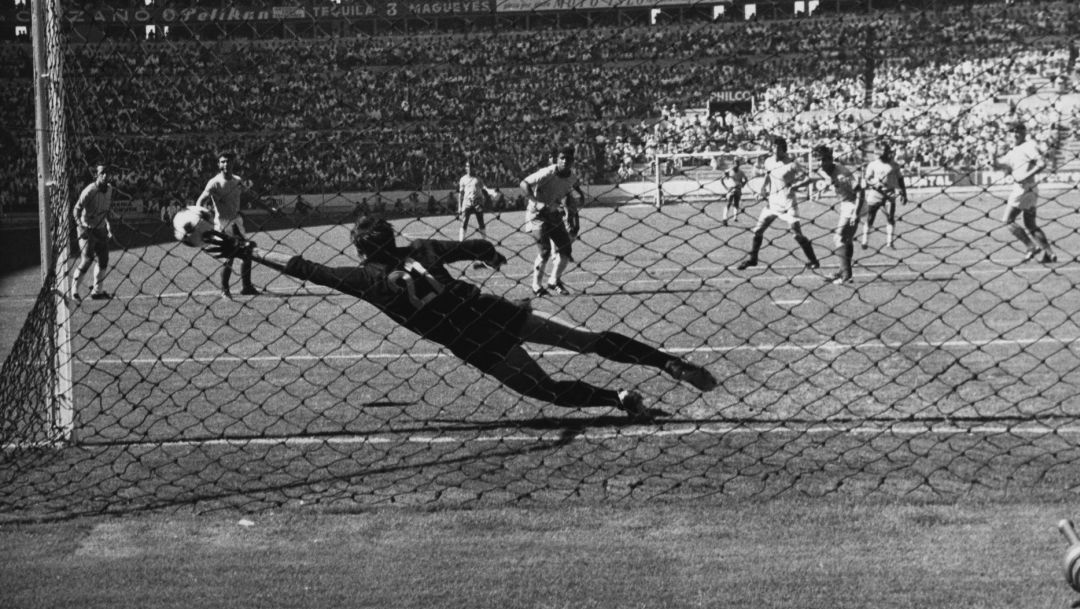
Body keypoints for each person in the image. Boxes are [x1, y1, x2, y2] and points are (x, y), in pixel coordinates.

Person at [201, 215, 718, 420]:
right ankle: (667, 363)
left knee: (545, 391)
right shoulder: (421, 246)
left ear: (362, 250)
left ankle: (619, 399)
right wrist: (487, 254)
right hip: (491, 310)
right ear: (392, 238)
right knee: (585, 338)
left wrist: (247, 251)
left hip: (469, 340)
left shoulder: (366, 279)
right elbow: (472, 243)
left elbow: (304, 268)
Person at [736, 136, 820, 271]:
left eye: (778, 147)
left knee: (796, 235)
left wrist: (796, 186)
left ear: (783, 149)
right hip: (772, 205)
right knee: (757, 231)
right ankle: (753, 259)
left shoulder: (792, 164)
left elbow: (809, 179)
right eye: (773, 147)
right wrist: (762, 190)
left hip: (788, 205)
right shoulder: (768, 161)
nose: (774, 149)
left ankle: (814, 261)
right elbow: (768, 176)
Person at [520, 145, 587, 296]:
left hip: (553, 214)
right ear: (558, 159)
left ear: (572, 161)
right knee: (545, 251)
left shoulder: (572, 177)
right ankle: (536, 286)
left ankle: (553, 281)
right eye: (562, 158)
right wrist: (536, 202)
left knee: (566, 249)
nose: (564, 161)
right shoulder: (547, 172)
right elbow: (523, 183)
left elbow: (574, 185)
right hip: (536, 214)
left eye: (567, 159)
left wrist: (580, 195)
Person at [196, 153, 261, 297]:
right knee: (228, 258)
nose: (226, 164)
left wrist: (269, 208)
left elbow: (249, 194)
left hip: (237, 222)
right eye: (223, 162)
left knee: (247, 253)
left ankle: (247, 287)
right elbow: (201, 200)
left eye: (228, 161)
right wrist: (200, 216)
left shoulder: (237, 180)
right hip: (222, 224)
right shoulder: (214, 182)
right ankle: (225, 290)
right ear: (219, 165)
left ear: (233, 163)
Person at [998, 121, 1057, 264]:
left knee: (1007, 221)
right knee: (1030, 224)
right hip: (1031, 189)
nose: (1015, 133)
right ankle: (1050, 254)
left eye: (1018, 131)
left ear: (1024, 132)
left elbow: (1042, 163)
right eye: (1012, 131)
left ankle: (1031, 246)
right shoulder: (1014, 149)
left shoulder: (1028, 146)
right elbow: (1001, 164)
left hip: (1023, 189)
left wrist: (1024, 176)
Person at [809, 145, 866, 284]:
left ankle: (846, 276)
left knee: (838, 238)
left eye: (822, 160)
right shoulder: (824, 170)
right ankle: (843, 271)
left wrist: (855, 214)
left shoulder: (842, 174)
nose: (819, 163)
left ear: (830, 160)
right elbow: (818, 176)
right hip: (846, 204)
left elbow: (860, 192)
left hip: (855, 204)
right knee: (847, 240)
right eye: (818, 160)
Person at [71, 163, 116, 302]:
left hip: (101, 229)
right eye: (102, 173)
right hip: (87, 229)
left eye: (107, 173)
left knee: (104, 260)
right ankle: (74, 291)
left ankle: (97, 291)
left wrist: (108, 226)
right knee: (87, 260)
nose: (105, 175)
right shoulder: (89, 191)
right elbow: (76, 210)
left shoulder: (109, 190)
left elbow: (106, 211)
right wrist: (81, 227)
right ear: (96, 175)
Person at [860, 143, 908, 250]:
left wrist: (904, 193)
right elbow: (867, 179)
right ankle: (865, 241)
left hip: (890, 194)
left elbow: (900, 179)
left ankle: (889, 242)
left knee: (890, 218)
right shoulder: (872, 165)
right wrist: (875, 183)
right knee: (870, 218)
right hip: (875, 194)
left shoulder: (894, 165)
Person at [457, 158, 498, 242]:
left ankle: (485, 240)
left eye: (471, 167)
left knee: (481, 222)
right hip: (467, 203)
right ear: (465, 168)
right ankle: (461, 242)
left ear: (474, 168)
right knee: (464, 222)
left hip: (477, 203)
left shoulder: (478, 179)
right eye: (467, 166)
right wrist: (459, 207)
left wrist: (491, 192)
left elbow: (484, 188)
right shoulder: (463, 179)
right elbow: (460, 194)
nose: (469, 168)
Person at [720, 160, 747, 225]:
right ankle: (724, 218)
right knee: (728, 203)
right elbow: (722, 179)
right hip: (731, 190)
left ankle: (735, 218)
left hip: (738, 189)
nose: (736, 165)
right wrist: (726, 188)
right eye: (735, 164)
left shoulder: (741, 172)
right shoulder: (728, 171)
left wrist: (742, 185)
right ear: (733, 164)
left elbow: (746, 179)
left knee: (736, 203)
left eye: (737, 164)